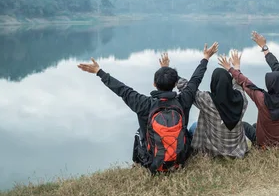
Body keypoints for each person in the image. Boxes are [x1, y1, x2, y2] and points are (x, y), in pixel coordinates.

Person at [77, 42, 219, 172]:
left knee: (140, 133)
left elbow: (122, 90)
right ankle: (176, 161)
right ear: (175, 84)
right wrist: (205, 58)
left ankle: (138, 164)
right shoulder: (184, 100)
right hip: (180, 158)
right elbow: (195, 80)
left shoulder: (143, 104)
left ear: (154, 84)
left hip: (153, 162)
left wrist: (99, 72)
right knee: (186, 131)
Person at [218, 39, 279, 147]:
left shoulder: (262, 99)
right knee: (255, 125)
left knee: (245, 125)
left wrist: (231, 68)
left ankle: (252, 144)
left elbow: (246, 83)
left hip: (264, 144)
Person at [175, 58, 249, 159]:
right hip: (237, 150)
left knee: (193, 126)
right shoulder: (242, 99)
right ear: (229, 83)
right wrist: (236, 68)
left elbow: (188, 88)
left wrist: (170, 74)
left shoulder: (207, 100)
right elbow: (238, 85)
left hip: (213, 150)